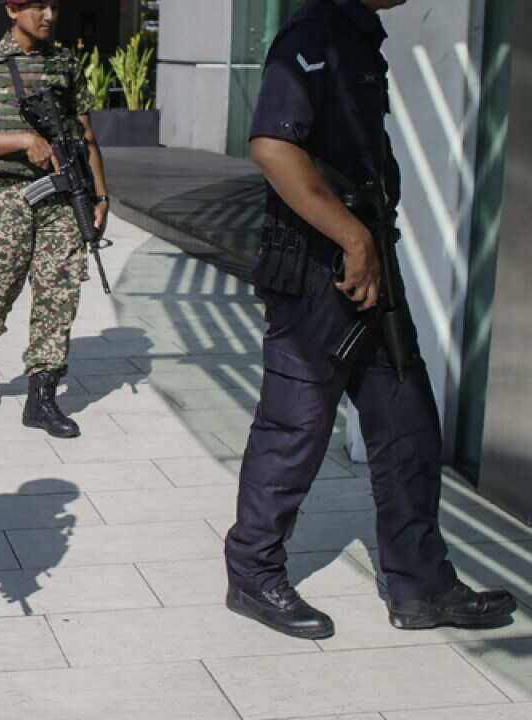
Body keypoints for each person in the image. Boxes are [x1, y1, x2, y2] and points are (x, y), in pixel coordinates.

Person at [224, 0, 516, 639]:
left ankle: (420, 586)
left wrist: (368, 244)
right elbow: (274, 146)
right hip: (315, 269)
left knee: (408, 425)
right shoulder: (313, 32)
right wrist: (353, 238)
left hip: (369, 262)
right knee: (295, 426)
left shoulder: (356, 34)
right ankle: (252, 572)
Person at [0, 0, 109, 438]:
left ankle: (42, 395)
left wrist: (100, 195)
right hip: (3, 197)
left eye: (54, 5)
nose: (50, 14)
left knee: (59, 291)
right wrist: (22, 140)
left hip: (61, 195)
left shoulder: (64, 63)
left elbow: (86, 134)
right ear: (12, 8)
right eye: (37, 5)